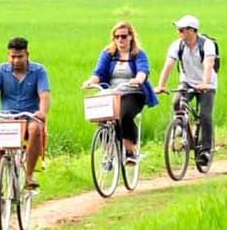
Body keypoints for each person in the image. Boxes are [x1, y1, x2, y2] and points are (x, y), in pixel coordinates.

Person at [0, 36, 52, 206]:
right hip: (8, 120)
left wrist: (42, 112)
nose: (16, 60)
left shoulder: (39, 71)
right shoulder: (1, 71)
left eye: (20, 56)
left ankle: (29, 175)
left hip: (30, 117)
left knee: (36, 129)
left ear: (27, 54)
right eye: (12, 57)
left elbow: (44, 95)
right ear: (8, 56)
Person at [81, 20, 156, 167]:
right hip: (112, 92)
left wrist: (138, 79)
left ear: (131, 37)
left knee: (124, 115)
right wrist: (90, 82)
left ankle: (130, 151)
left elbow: (143, 70)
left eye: (124, 36)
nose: (120, 40)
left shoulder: (138, 54)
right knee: (101, 116)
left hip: (133, 92)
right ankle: (109, 153)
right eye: (117, 37)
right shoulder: (108, 54)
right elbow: (99, 72)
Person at [154, 14, 218, 158]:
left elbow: (209, 65)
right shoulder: (177, 45)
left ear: (192, 30)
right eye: (179, 30)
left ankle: (206, 150)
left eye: (182, 30)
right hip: (187, 80)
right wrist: (161, 85)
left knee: (205, 115)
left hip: (207, 83)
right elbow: (169, 65)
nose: (179, 32)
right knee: (177, 102)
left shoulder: (207, 44)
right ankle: (182, 129)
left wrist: (205, 83)